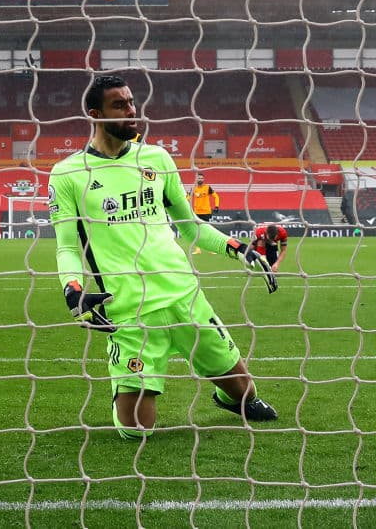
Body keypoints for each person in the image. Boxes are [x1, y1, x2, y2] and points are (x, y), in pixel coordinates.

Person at [47, 73, 279, 440]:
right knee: (137, 431)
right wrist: (72, 290)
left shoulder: (156, 158)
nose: (131, 111)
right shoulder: (68, 174)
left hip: (184, 296)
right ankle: (124, 386)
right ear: (95, 114)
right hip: (129, 310)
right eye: (119, 105)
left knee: (245, 392)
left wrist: (238, 249)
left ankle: (230, 397)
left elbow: (191, 227)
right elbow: (67, 246)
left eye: (131, 102)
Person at [187, 172, 220, 254]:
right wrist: (185, 201)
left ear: (203, 179)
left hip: (206, 212)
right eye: (199, 178)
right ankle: (198, 250)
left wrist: (216, 206)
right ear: (196, 179)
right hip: (197, 213)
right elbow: (188, 198)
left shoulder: (207, 187)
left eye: (201, 178)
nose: (200, 179)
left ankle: (211, 249)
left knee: (207, 231)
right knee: (197, 231)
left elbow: (216, 196)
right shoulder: (193, 188)